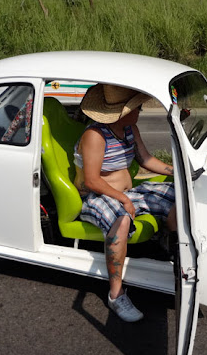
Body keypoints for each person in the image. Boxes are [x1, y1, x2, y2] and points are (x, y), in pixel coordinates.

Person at [74, 84, 176, 322]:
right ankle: (116, 294)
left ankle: (171, 252)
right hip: (97, 197)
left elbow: (146, 159)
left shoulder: (131, 129)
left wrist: (179, 172)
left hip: (128, 194)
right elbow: (91, 180)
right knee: (121, 222)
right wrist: (121, 199)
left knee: (179, 198)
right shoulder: (95, 136)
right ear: (122, 112)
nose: (140, 110)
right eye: (136, 107)